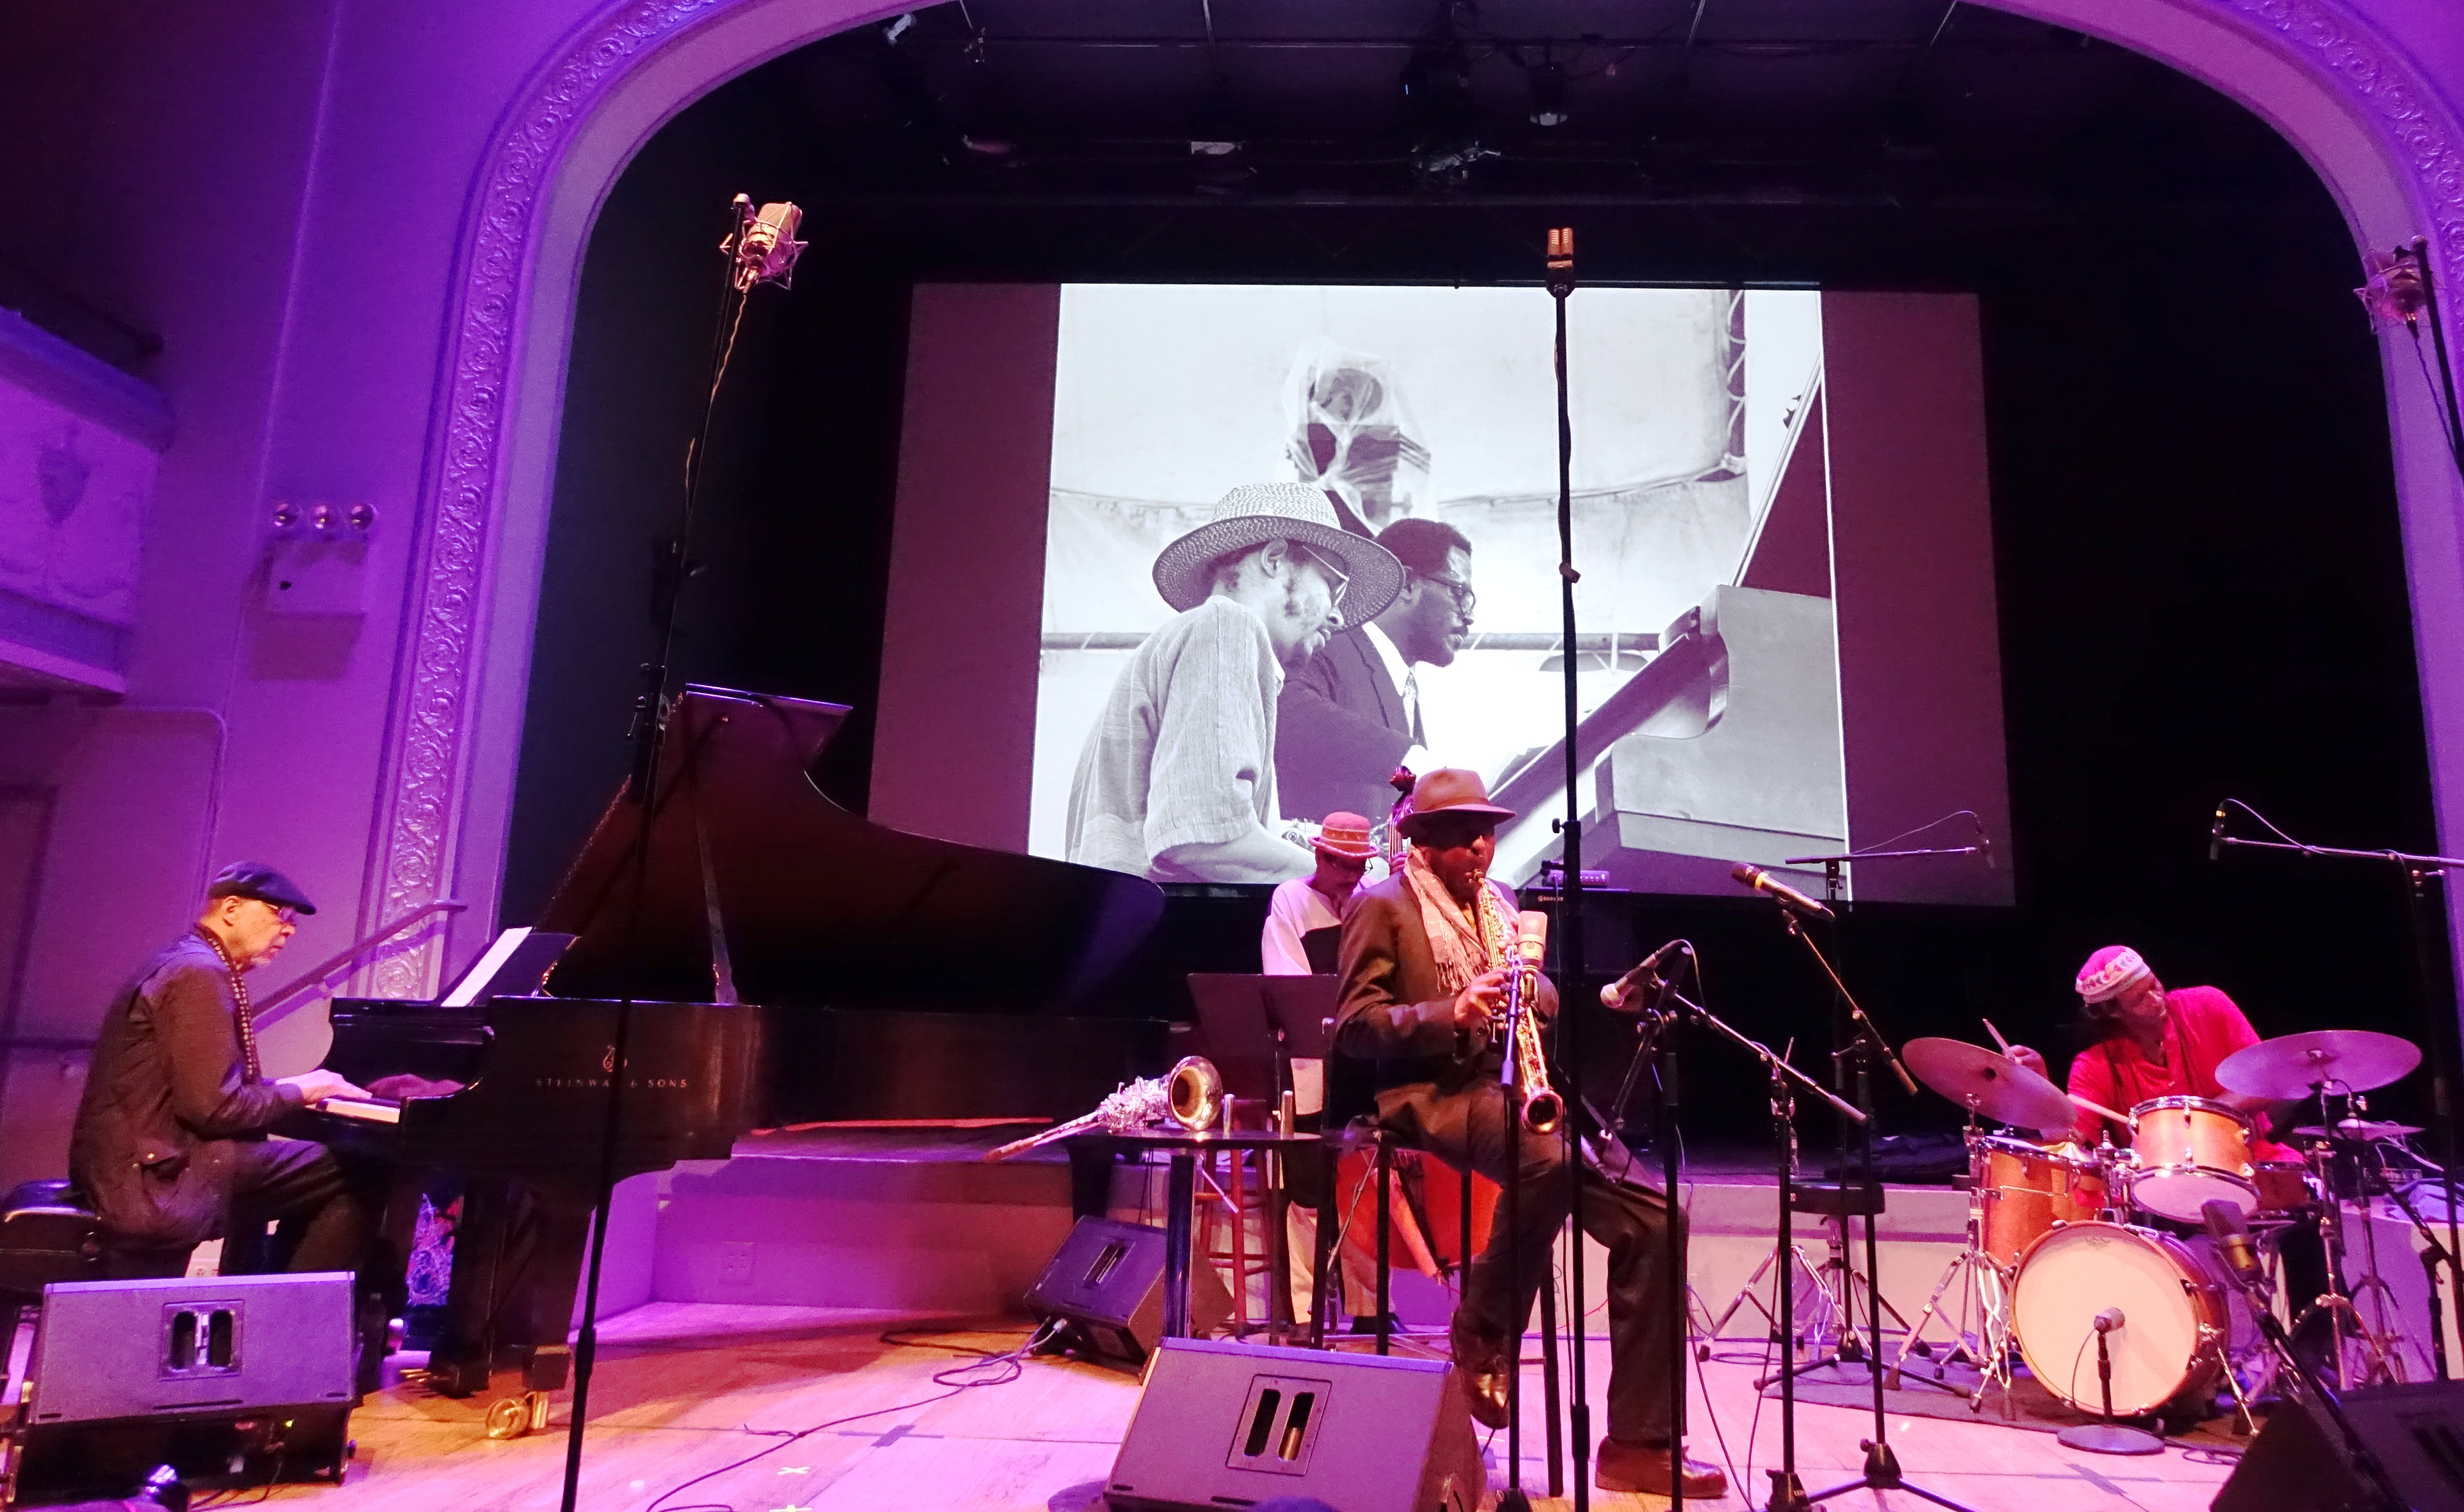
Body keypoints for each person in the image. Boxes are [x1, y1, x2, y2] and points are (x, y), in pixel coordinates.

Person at [1333, 769, 1722, 1499]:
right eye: (1461, 836)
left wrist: (1530, 988)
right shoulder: (1379, 905)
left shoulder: (1500, 905)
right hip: (1429, 1092)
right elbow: (1355, 1027)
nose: (1480, 846)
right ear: (1422, 842)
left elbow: (1538, 1004)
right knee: (1540, 1154)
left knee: (1657, 1218)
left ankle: (1637, 1442)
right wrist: (1450, 1012)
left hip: (1511, 1088)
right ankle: (1483, 1328)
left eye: (1486, 832)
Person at [70, 863, 394, 1375]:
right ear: (231, 909)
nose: (288, 930)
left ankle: (256, 1330)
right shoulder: (200, 973)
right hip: (157, 1179)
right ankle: (285, 1348)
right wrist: (303, 1088)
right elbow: (215, 1108)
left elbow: (210, 1093)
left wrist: (298, 1090)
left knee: (308, 1169)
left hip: (150, 1161)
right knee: (363, 1169)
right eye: (279, 915)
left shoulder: (189, 962)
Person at [1066, 483, 1403, 883]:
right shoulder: (1229, 626)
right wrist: (1368, 872)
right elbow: (1205, 838)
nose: (1339, 616)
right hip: (1173, 939)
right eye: (1333, 585)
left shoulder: (1184, 642)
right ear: (1275, 559)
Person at [2009, 945, 2333, 1332]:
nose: (2157, 998)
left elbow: (2269, 1078)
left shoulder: (2208, 1005)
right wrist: (2040, 1089)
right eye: (2140, 998)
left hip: (2249, 1163)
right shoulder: (2095, 1063)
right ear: (2114, 1011)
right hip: (2164, 1194)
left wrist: (2198, 1117)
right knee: (2142, 1230)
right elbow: (2075, 1143)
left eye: (2155, 985)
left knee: (2312, 1210)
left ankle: (2318, 1345)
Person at [1275, 517, 1476, 827]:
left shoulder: (1402, 680)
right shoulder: (1329, 645)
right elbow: (1281, 707)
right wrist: (1409, 759)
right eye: (1460, 593)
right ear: (1408, 585)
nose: (1470, 616)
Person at [1260, 811, 1377, 975]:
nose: (1353, 877)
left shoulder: (1373, 892)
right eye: (1344, 867)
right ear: (1319, 857)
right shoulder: (1290, 898)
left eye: (1359, 867)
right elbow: (1286, 980)